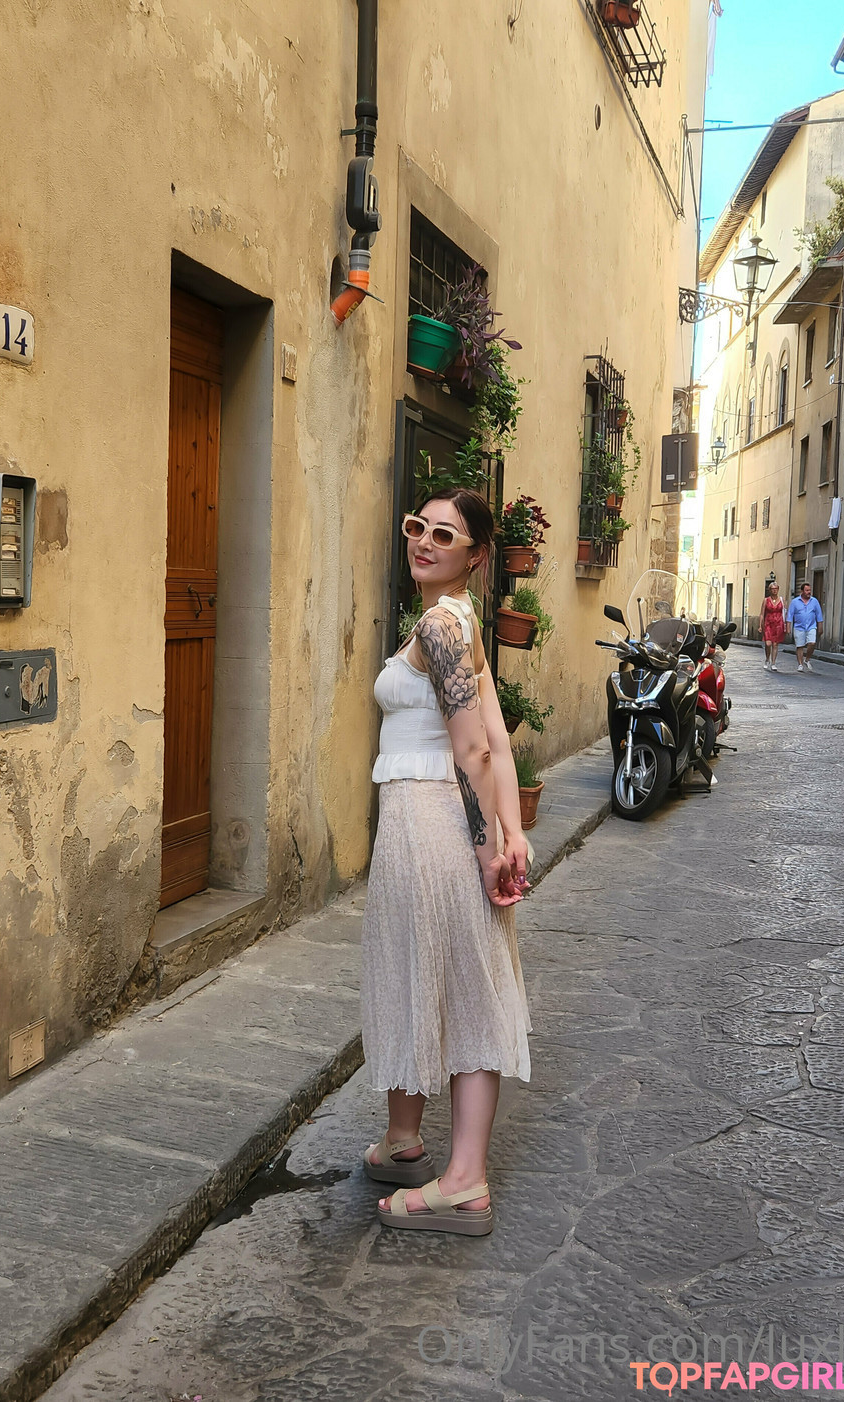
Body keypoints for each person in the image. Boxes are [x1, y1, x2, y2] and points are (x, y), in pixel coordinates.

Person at [360, 487, 533, 1238]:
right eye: (417, 527)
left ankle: (463, 1182)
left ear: (477, 555)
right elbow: (497, 737)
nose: (424, 541)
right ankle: (405, 1140)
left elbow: (474, 749)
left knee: (455, 984)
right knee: (430, 972)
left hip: (429, 822)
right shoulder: (458, 621)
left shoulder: (439, 625)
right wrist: (511, 832)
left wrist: (491, 845)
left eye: (445, 534)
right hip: (431, 821)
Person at [786, 581, 823, 672]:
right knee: (800, 646)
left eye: (809, 590)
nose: (809, 592)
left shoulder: (814, 601)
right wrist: (788, 627)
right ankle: (800, 664)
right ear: (802, 591)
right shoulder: (795, 602)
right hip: (799, 627)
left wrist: (820, 627)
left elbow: (819, 615)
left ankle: (807, 659)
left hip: (811, 626)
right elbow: (790, 615)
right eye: (807, 590)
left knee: (812, 643)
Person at [759, 579, 786, 672]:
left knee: (775, 644)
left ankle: (773, 663)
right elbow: (762, 614)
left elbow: (785, 612)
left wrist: (786, 625)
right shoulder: (766, 600)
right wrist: (760, 625)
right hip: (768, 624)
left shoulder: (782, 600)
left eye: (776, 589)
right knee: (768, 643)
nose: (774, 590)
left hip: (778, 624)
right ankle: (767, 659)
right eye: (773, 589)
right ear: (770, 590)